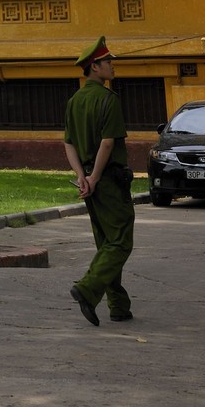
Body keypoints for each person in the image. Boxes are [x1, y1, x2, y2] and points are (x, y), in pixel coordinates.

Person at [63, 36, 135, 326]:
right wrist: (94, 177)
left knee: (107, 243)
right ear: (95, 66)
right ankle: (87, 289)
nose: (112, 66)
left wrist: (82, 176)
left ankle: (118, 306)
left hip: (91, 181)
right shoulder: (108, 99)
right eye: (108, 62)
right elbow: (107, 143)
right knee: (120, 242)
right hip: (108, 180)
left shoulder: (74, 101)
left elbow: (68, 143)